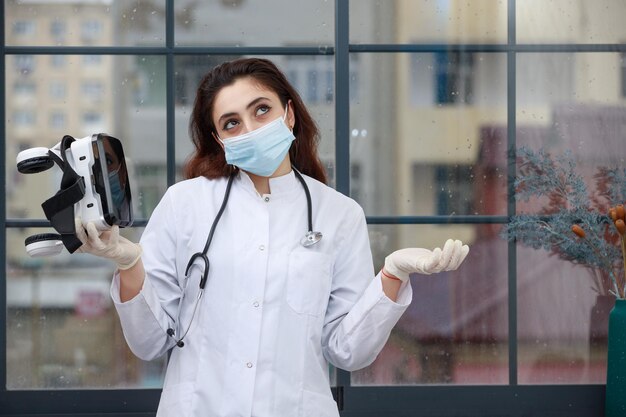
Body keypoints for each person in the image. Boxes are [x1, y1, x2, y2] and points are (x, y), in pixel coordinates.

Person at [75, 58, 469, 417]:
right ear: (219, 139)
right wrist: (130, 265)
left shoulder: (339, 214)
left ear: (290, 114)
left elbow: (348, 350)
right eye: (232, 123)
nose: (250, 128)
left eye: (261, 110)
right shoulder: (185, 204)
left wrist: (392, 276)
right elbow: (149, 342)